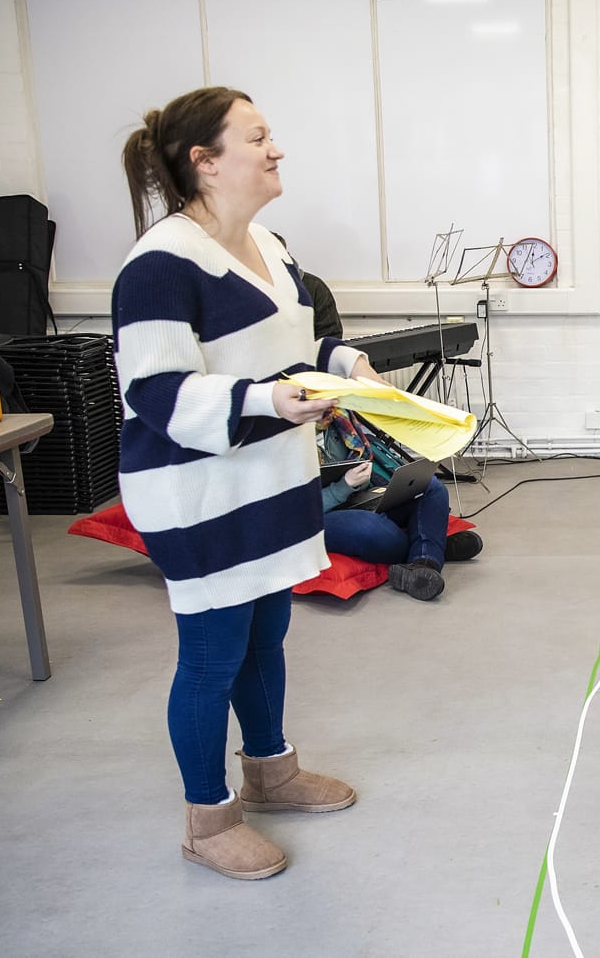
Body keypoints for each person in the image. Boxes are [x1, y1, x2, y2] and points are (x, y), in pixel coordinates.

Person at [114, 85, 387, 880]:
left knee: (265, 632)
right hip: (196, 492)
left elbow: (298, 340)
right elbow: (157, 393)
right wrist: (267, 400)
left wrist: (343, 364)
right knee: (211, 652)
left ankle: (271, 771)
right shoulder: (159, 265)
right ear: (204, 162)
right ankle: (208, 817)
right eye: (257, 137)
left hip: (268, 478)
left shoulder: (270, 244)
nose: (276, 150)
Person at [317, 408, 482, 600]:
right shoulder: (285, 441)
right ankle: (433, 547)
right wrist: (343, 486)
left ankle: (423, 563)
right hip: (313, 517)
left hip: (358, 497)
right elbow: (290, 513)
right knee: (370, 528)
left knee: (431, 486)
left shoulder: (337, 418)